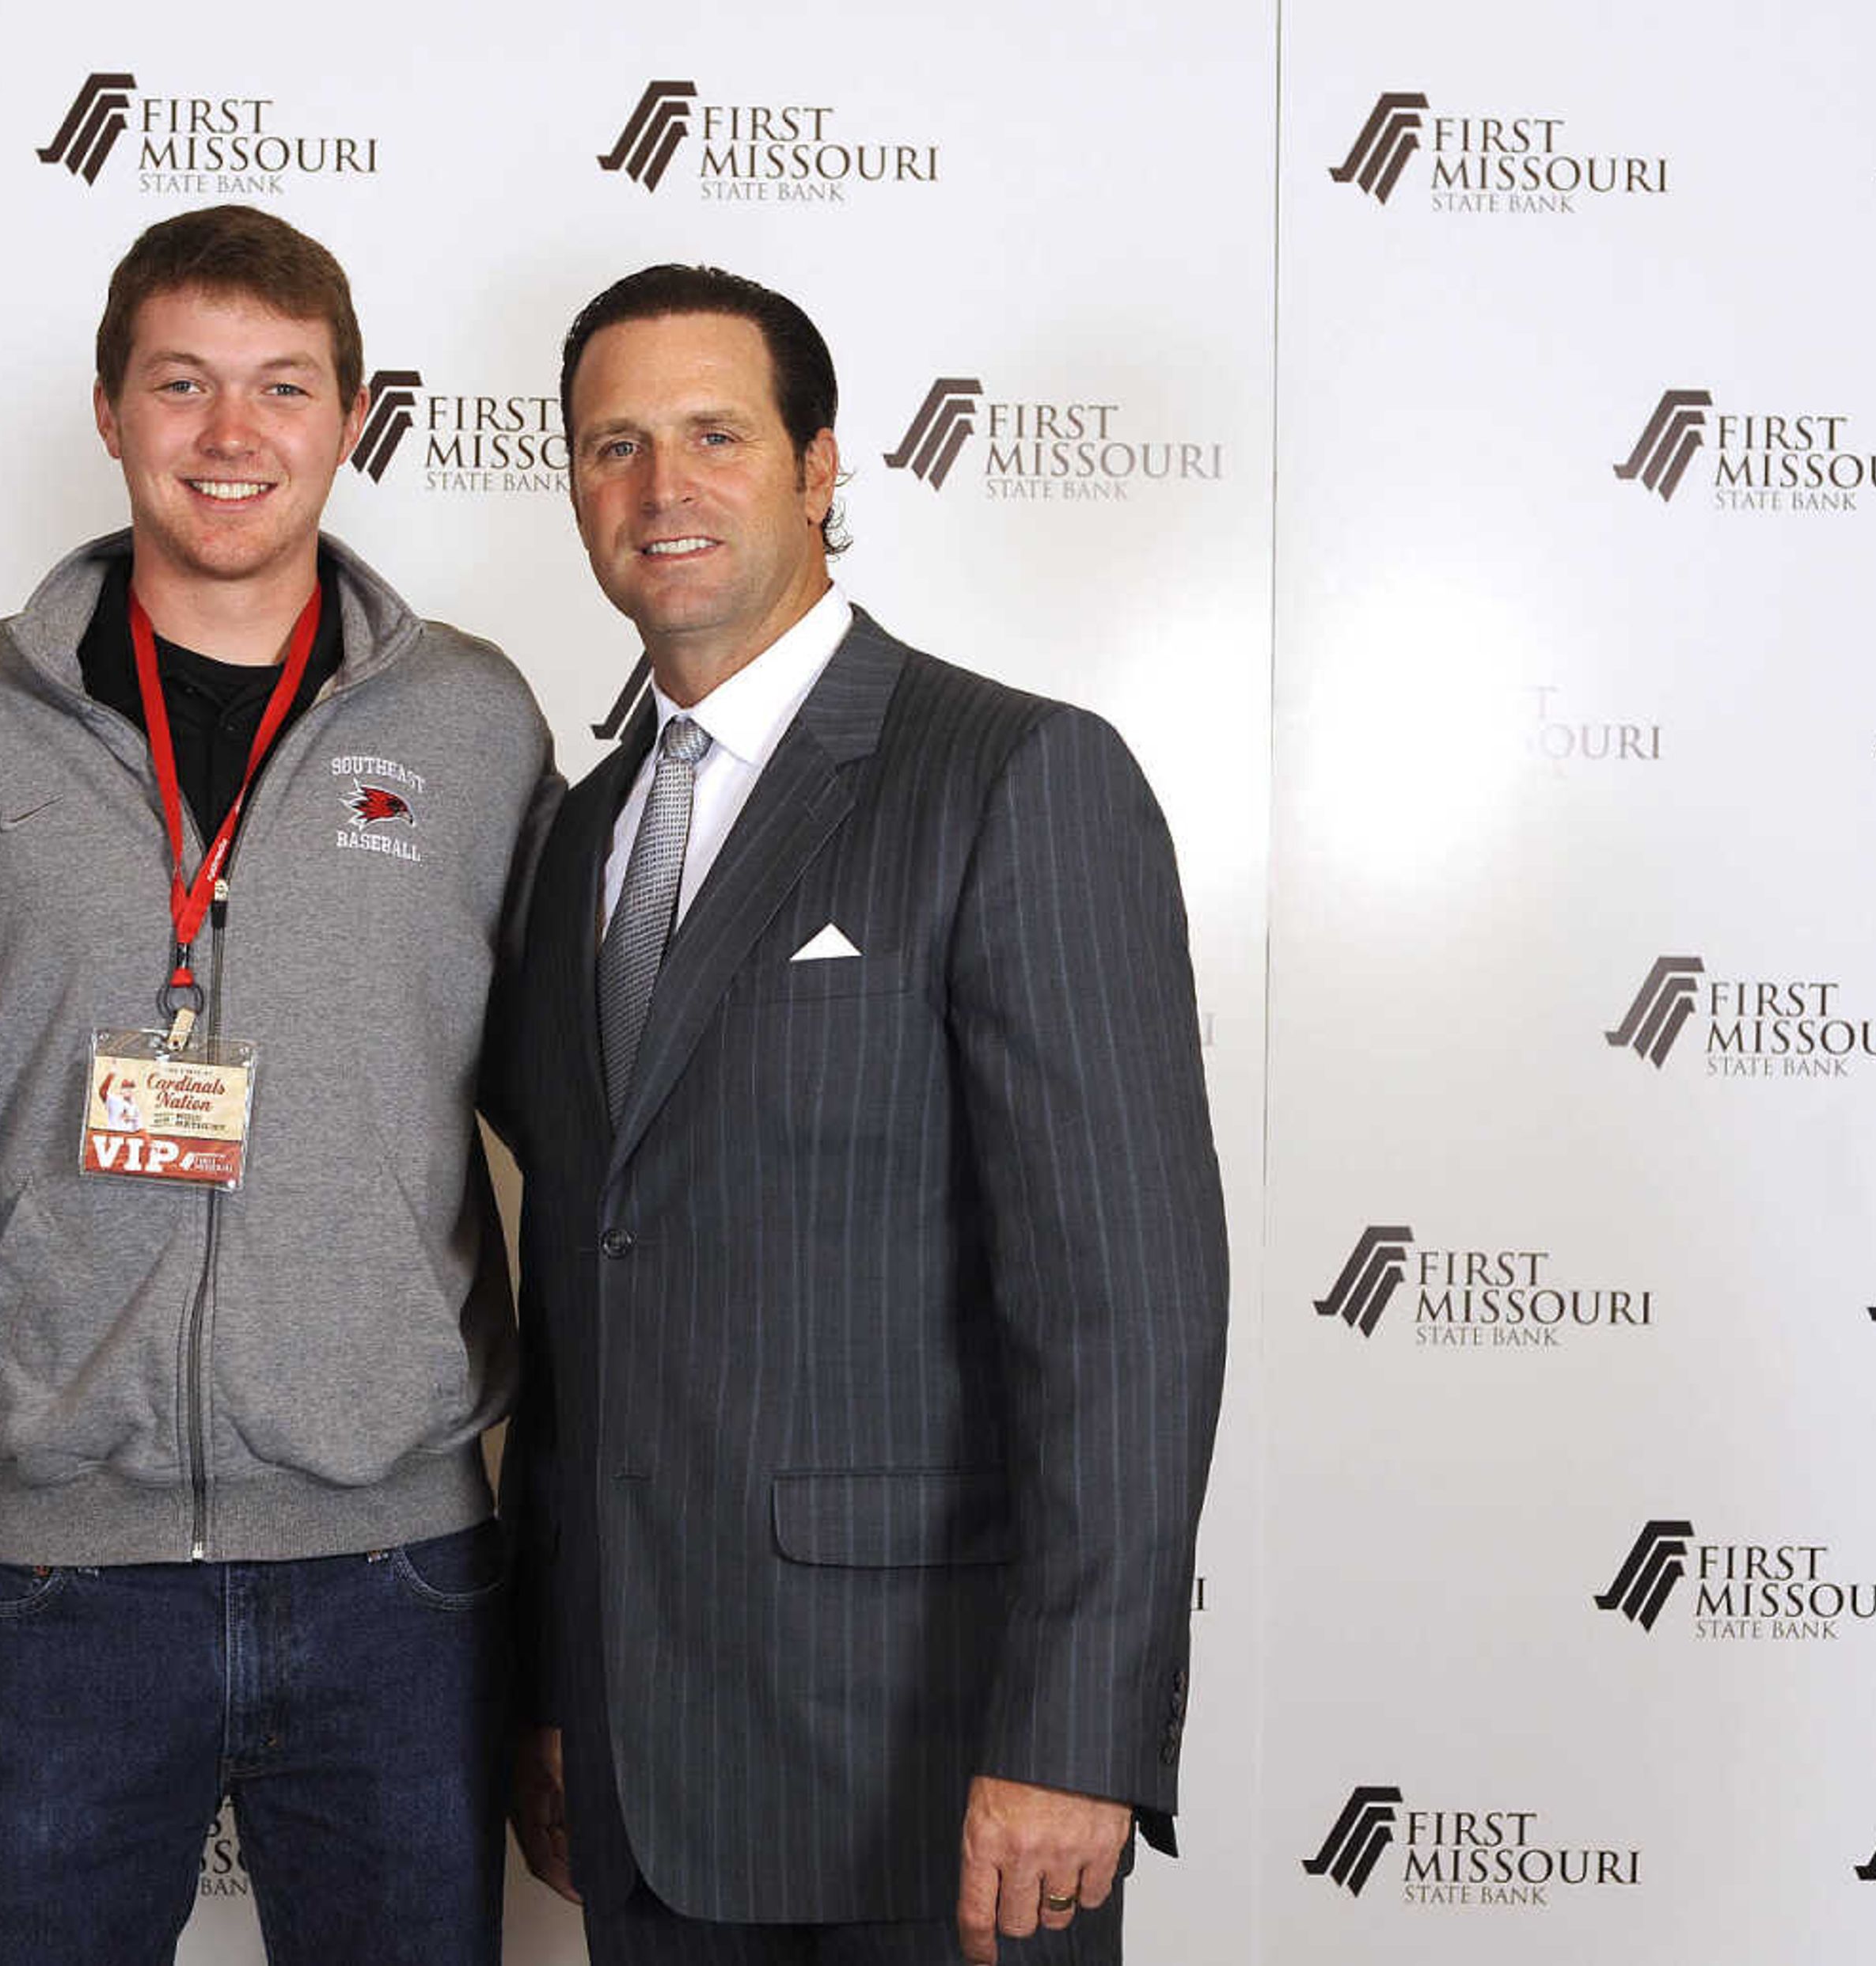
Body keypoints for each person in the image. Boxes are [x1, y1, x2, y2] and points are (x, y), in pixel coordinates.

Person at [0, 204, 554, 1966]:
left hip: (402, 1583)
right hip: (61, 1591)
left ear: (354, 413)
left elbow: (601, 1145)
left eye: (280, 387)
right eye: (182, 384)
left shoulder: (472, 727)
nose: (230, 436)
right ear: (109, 410)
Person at [488, 265, 1228, 1965]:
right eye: (613, 445)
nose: (660, 487)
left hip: (932, 1778)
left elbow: (1130, 1305)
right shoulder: (576, 841)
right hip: (642, 1778)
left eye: (713, 434)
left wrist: (1077, 1737)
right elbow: (579, 1296)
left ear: (823, 467)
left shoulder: (1017, 778)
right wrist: (554, 1691)